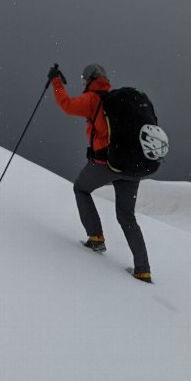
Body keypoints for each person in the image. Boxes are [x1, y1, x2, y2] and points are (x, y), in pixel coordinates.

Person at [48, 63, 152, 282]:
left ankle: (96, 237)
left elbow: (66, 105)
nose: (83, 83)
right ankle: (143, 269)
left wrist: (55, 82)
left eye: (84, 80)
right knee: (127, 216)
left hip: (107, 164)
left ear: (90, 79)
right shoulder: (119, 100)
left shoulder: (94, 99)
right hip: (132, 167)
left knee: (81, 189)